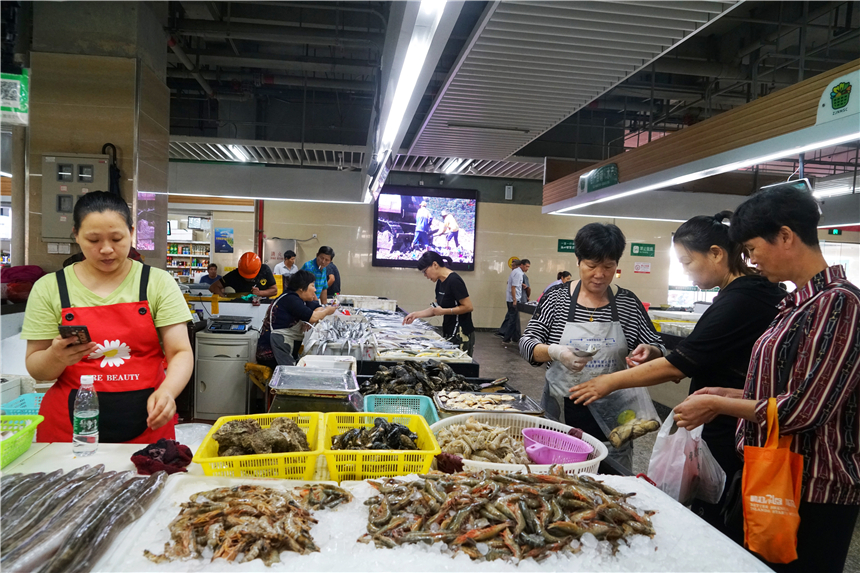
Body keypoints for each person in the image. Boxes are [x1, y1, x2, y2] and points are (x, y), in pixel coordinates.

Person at [672, 187, 860, 572]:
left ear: (787, 236)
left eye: (753, 249)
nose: (751, 261)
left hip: (812, 489)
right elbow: (790, 391)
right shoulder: (796, 304)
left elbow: (803, 410)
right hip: (773, 479)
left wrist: (719, 405)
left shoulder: (838, 303)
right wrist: (733, 391)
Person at [568, 212, 786, 539]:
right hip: (721, 420)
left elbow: (680, 365)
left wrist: (607, 382)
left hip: (734, 430)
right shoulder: (739, 294)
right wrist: (656, 353)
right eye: (591, 265)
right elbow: (697, 354)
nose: (685, 271)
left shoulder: (743, 297)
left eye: (686, 262)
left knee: (719, 522)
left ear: (716, 253)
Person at [21, 191, 193, 443]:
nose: (106, 249)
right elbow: (37, 369)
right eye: (93, 239)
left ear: (132, 233)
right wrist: (55, 357)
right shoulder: (50, 287)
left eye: (117, 238)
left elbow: (180, 352)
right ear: (76, 235)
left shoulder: (157, 283)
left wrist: (168, 392)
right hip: (67, 430)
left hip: (148, 421)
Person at [519, 223, 664, 470]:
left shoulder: (627, 302)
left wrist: (649, 352)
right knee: (561, 475)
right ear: (578, 262)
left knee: (611, 478)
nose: (599, 274)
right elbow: (527, 343)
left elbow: (657, 345)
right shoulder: (557, 299)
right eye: (592, 265)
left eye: (608, 267)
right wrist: (556, 352)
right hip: (564, 409)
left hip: (615, 411)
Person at [256, 270, 338, 366]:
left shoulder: (301, 298)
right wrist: (327, 311)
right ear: (302, 288)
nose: (315, 290)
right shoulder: (290, 299)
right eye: (312, 286)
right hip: (271, 353)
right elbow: (313, 317)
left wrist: (310, 318)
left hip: (286, 348)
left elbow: (316, 308)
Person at [403, 251, 476, 356]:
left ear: (435, 265)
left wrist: (445, 311)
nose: (425, 275)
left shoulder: (454, 280)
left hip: (462, 333)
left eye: (425, 271)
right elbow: (436, 308)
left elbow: (468, 307)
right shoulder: (440, 282)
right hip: (449, 330)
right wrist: (415, 314)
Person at [209, 252, 277, 298]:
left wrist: (260, 293)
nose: (248, 279)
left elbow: (274, 290)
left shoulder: (265, 270)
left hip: (262, 307)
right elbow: (213, 287)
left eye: (251, 277)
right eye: (245, 276)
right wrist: (223, 299)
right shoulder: (234, 275)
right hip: (240, 308)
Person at [497, 258, 530, 343]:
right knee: (513, 320)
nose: (527, 269)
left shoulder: (515, 272)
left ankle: (514, 338)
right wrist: (515, 299)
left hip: (511, 299)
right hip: (514, 299)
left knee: (514, 319)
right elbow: (513, 287)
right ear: (521, 265)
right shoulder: (518, 273)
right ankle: (506, 338)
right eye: (526, 266)